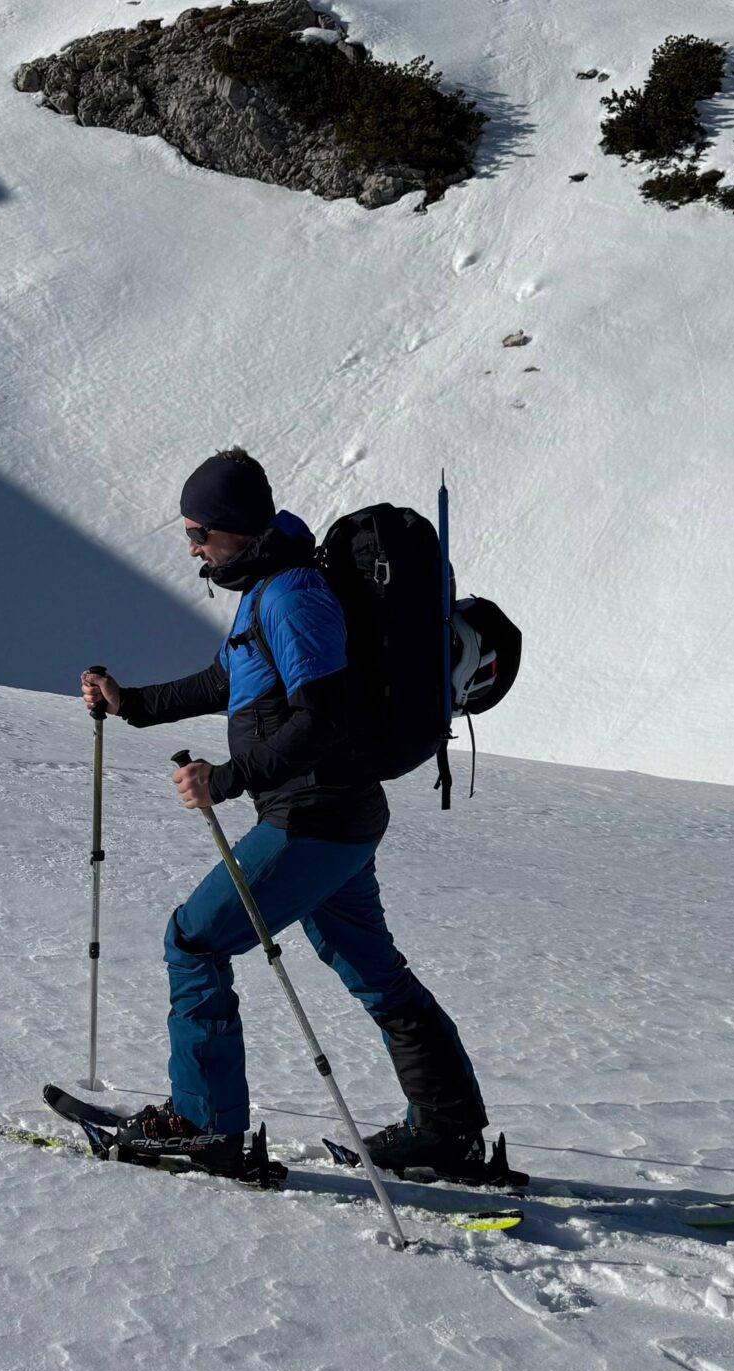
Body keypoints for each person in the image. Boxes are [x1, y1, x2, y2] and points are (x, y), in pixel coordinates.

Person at [79, 448, 493, 1180]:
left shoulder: (295, 594)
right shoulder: (267, 589)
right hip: (336, 820)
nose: (193, 548)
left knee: (195, 941)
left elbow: (323, 718)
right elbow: (227, 678)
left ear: (237, 528)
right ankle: (448, 1132)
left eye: (200, 531)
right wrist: (133, 704)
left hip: (313, 820)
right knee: (371, 968)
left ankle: (205, 1128)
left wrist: (230, 778)